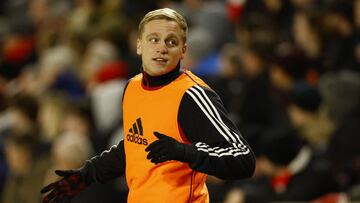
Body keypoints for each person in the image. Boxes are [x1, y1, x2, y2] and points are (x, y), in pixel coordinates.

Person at [40, 8, 256, 203]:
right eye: (154, 39)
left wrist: (185, 152)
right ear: (139, 45)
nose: (162, 48)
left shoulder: (192, 95)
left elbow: (243, 158)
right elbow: (135, 147)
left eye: (171, 42)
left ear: (183, 51)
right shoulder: (133, 88)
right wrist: (86, 174)